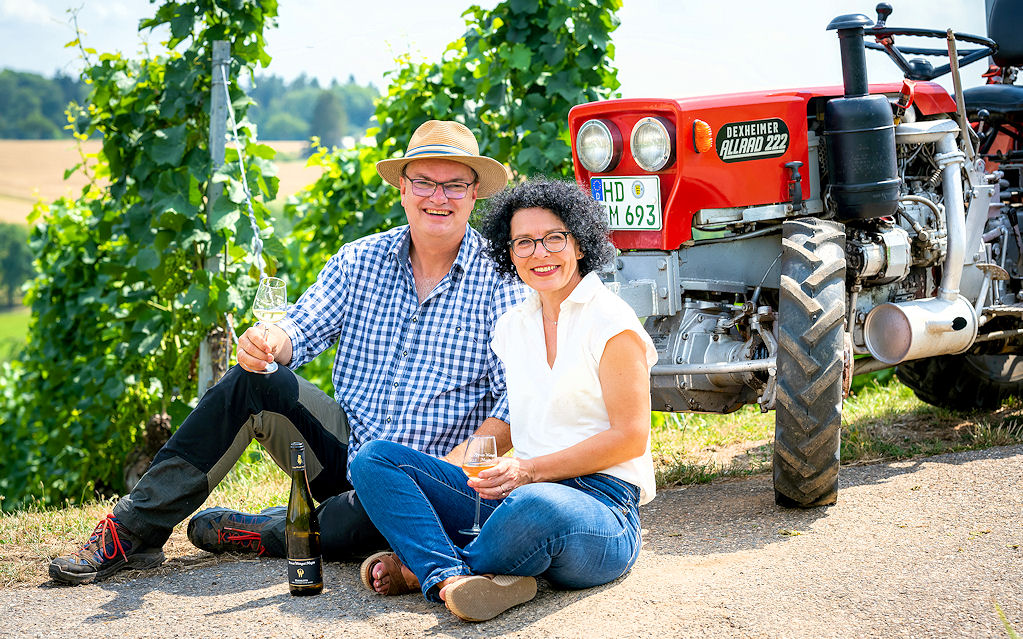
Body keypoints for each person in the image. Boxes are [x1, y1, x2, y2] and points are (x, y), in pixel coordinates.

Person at [48, 120, 526, 585]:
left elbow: (512, 405)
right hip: (344, 454)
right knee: (253, 380)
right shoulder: (359, 259)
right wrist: (268, 343)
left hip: (425, 479)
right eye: (424, 181)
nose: (438, 198)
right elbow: (300, 325)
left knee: (349, 529)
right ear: (402, 188)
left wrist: (438, 478)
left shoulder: (503, 283)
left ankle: (269, 531)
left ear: (475, 194)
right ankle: (132, 530)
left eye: (454, 186)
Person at [349, 177, 658, 622]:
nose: (540, 253)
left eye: (554, 238)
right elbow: (513, 422)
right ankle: (454, 578)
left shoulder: (611, 321)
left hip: (599, 507)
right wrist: (450, 478)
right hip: (517, 494)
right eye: (524, 243)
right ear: (508, 253)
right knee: (375, 460)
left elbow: (630, 438)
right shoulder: (514, 325)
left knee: (534, 507)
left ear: (581, 244)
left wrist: (529, 471)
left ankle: (423, 570)